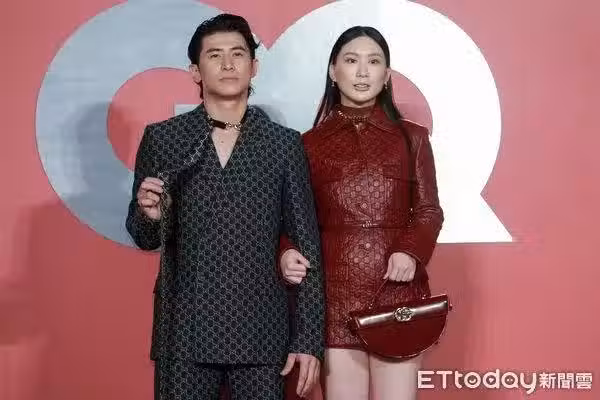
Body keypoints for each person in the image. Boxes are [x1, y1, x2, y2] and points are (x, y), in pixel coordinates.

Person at [125, 13, 324, 400]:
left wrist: (308, 339)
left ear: (254, 66)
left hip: (262, 330)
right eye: (215, 55)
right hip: (184, 328)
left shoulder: (283, 144)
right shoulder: (164, 138)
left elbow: (306, 245)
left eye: (238, 54)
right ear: (195, 71)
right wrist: (150, 216)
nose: (228, 64)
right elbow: (143, 235)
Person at [279, 26, 444, 400]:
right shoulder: (306, 145)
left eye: (374, 62)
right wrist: (286, 251)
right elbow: (292, 220)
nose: (363, 72)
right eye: (352, 61)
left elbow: (429, 210)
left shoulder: (413, 138)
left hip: (397, 295)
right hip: (335, 296)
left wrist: (410, 251)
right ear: (333, 71)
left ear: (387, 75)